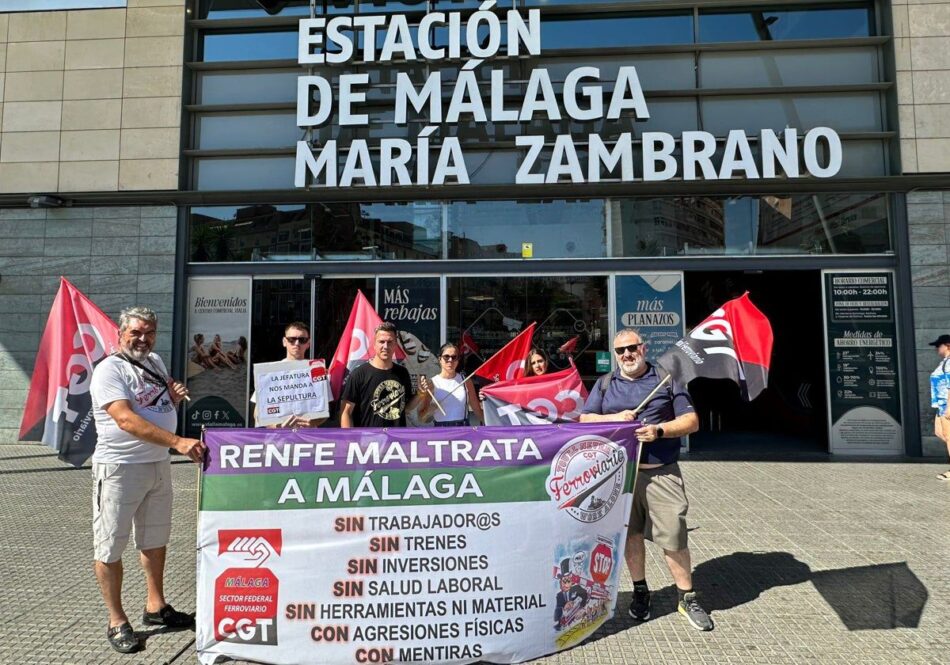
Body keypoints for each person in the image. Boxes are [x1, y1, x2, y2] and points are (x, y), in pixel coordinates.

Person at [579, 328, 712, 632]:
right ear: (614, 354)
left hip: (660, 473)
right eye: (620, 350)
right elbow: (585, 420)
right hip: (620, 477)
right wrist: (614, 418)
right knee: (630, 535)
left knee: (674, 536)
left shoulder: (666, 378)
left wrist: (660, 431)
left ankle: (686, 596)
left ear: (643, 347)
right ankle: (640, 590)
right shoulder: (605, 383)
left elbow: (691, 421)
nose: (626, 354)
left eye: (632, 348)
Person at [89, 306, 205, 654]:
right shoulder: (108, 370)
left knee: (155, 540)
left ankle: (155, 606)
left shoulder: (154, 362)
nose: (143, 338)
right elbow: (125, 419)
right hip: (120, 467)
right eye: (136, 332)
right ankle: (117, 620)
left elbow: (152, 405)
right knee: (110, 544)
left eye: (149, 332)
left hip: (157, 463)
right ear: (120, 334)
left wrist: (171, 398)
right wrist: (178, 442)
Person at [340, 322, 422, 428]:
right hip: (367, 440)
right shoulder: (359, 374)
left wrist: (421, 394)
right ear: (374, 345)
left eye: (390, 342)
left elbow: (406, 409)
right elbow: (345, 412)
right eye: (381, 342)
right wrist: (350, 441)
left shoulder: (402, 372)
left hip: (396, 440)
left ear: (395, 345)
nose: (385, 346)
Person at [252, 322, 325, 428]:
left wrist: (312, 423)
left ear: (308, 343)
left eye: (302, 340)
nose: (297, 343)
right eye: (292, 339)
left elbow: (325, 410)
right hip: (276, 439)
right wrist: (277, 426)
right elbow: (258, 412)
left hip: (307, 438)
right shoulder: (269, 373)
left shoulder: (317, 370)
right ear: (284, 342)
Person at [417, 342, 483, 426]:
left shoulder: (466, 381)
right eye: (446, 357)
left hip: (462, 429)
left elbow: (478, 411)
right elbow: (421, 418)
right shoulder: (432, 383)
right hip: (441, 431)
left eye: (454, 357)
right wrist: (429, 410)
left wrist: (499, 426)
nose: (450, 360)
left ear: (458, 360)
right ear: (440, 359)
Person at [930, 334, 950, 480]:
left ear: (947, 346)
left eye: (939, 345)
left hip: (947, 405)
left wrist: (949, 407)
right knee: (940, 433)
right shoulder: (944, 362)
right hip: (941, 406)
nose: (937, 348)